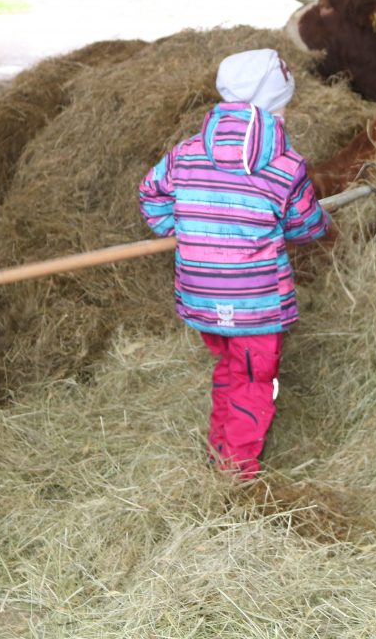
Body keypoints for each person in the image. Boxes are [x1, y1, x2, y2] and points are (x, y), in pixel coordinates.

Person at [139, 48, 331, 477]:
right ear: (274, 109)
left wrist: (184, 228)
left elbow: (150, 193)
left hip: (202, 298)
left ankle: (219, 446)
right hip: (254, 305)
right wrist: (322, 221)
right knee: (255, 380)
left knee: (230, 365)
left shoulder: (185, 153)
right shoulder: (285, 166)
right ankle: (237, 469)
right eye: (283, 106)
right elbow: (304, 225)